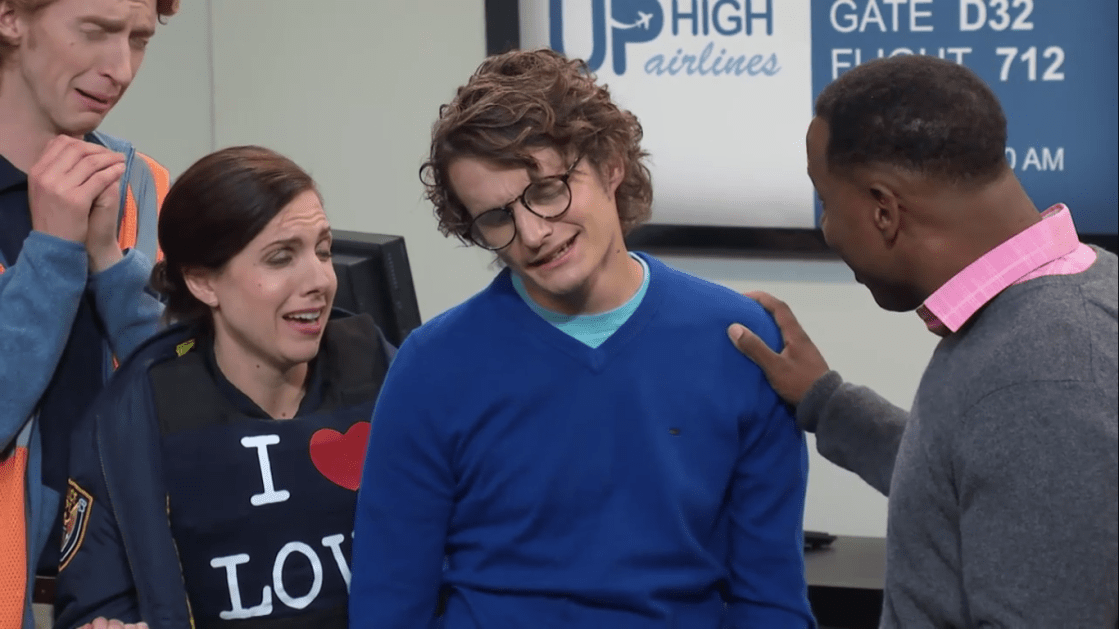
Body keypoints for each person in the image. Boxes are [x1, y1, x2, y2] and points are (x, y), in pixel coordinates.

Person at [349, 48, 816, 628]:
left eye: (547, 190)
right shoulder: (431, 367)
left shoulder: (739, 342)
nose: (532, 234)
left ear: (611, 164)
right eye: (496, 218)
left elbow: (770, 599)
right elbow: (388, 603)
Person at [728, 55, 1119, 628]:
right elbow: (980, 488)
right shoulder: (1064, 301)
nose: (827, 229)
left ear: (883, 210)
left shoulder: (1046, 373)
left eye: (827, 203)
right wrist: (826, 401)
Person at [51, 146, 396, 628]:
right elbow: (93, 602)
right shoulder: (137, 415)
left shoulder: (383, 372)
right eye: (281, 258)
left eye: (323, 250)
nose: (320, 279)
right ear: (202, 282)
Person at [0, 0, 176, 625]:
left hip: (120, 600)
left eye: (139, 39)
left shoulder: (145, 185)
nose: (120, 68)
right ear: (11, 17)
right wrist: (52, 252)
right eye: (96, 31)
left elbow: (182, 400)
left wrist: (111, 266)